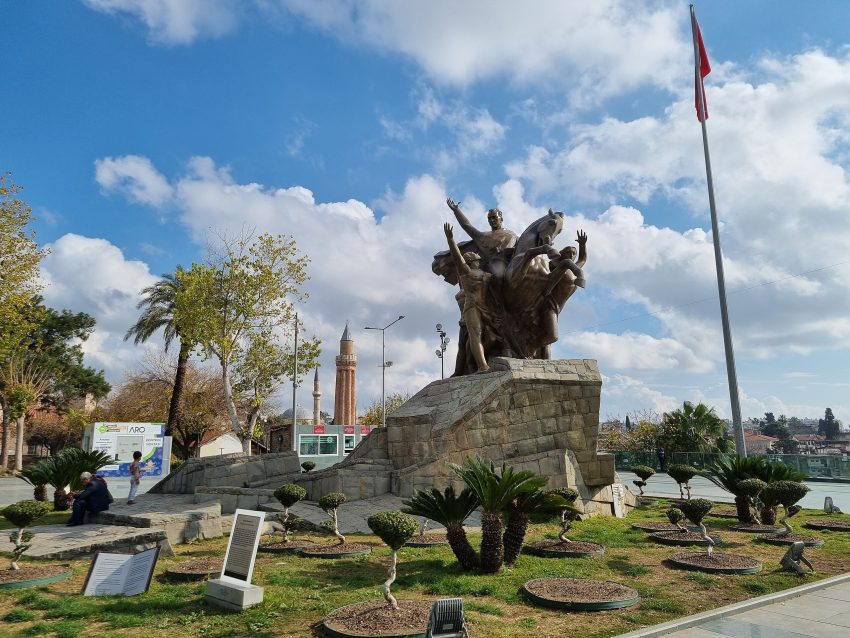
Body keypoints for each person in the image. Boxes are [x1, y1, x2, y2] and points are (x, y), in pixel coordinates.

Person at [444, 223, 492, 373]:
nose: (479, 260)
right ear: (472, 261)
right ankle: (482, 366)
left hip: (487, 308)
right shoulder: (467, 272)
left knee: (489, 336)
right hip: (472, 307)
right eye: (477, 259)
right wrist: (450, 240)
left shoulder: (486, 274)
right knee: (475, 335)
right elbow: (458, 258)